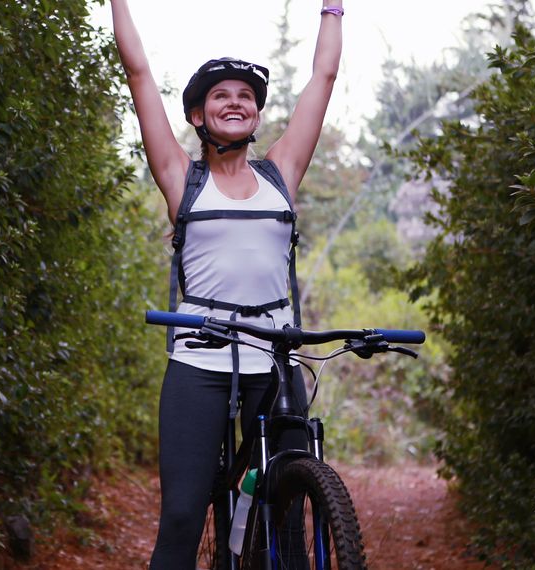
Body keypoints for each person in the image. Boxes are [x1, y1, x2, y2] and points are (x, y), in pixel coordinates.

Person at [110, 1, 343, 568]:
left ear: (257, 117)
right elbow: (138, 71)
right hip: (198, 359)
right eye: (221, 95)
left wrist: (333, 7)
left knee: (283, 515)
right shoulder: (179, 177)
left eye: (245, 97)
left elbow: (324, 77)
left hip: (276, 356)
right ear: (197, 116)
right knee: (185, 515)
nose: (235, 102)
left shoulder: (280, 173)